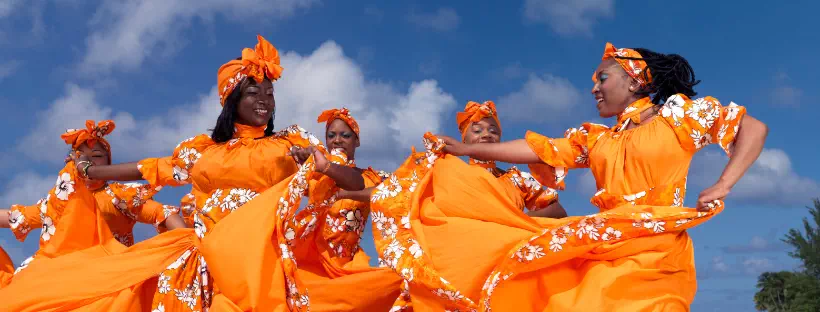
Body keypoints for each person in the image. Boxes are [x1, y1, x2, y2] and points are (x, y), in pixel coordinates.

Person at [369, 42, 768, 311]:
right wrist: (466, 149)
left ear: (633, 80)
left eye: (601, 78)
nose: (593, 87)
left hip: (658, 249)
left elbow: (752, 128)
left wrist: (724, 183)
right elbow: (535, 150)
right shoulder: (595, 139)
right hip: (602, 244)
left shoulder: (679, 116)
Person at [0, 35, 365, 311]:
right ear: (231, 100)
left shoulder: (290, 142)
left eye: (269, 93)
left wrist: (325, 165)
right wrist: (94, 170)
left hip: (259, 255)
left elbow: (352, 182)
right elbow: (152, 168)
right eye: (254, 92)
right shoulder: (203, 150)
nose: (265, 101)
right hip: (204, 258)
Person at [198, 107, 402, 311]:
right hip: (313, 263)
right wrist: (297, 162)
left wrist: (343, 194)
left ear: (356, 141)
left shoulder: (373, 177)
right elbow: (277, 182)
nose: (337, 140)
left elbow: (391, 194)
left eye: (345, 135)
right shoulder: (317, 173)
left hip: (349, 265)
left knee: (400, 284)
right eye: (331, 135)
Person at [0, 120, 185, 274]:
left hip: (108, 275)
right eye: (81, 157)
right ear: (71, 162)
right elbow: (16, 217)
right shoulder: (58, 202)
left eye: (96, 156)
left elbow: (162, 213)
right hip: (61, 276)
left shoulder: (120, 195)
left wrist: (188, 243)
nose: (87, 161)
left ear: (108, 163)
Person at [456, 100, 567, 218]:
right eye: (477, 131)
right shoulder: (454, 176)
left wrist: (517, 222)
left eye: (493, 131)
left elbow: (557, 210)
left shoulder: (518, 180)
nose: (486, 134)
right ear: (464, 139)